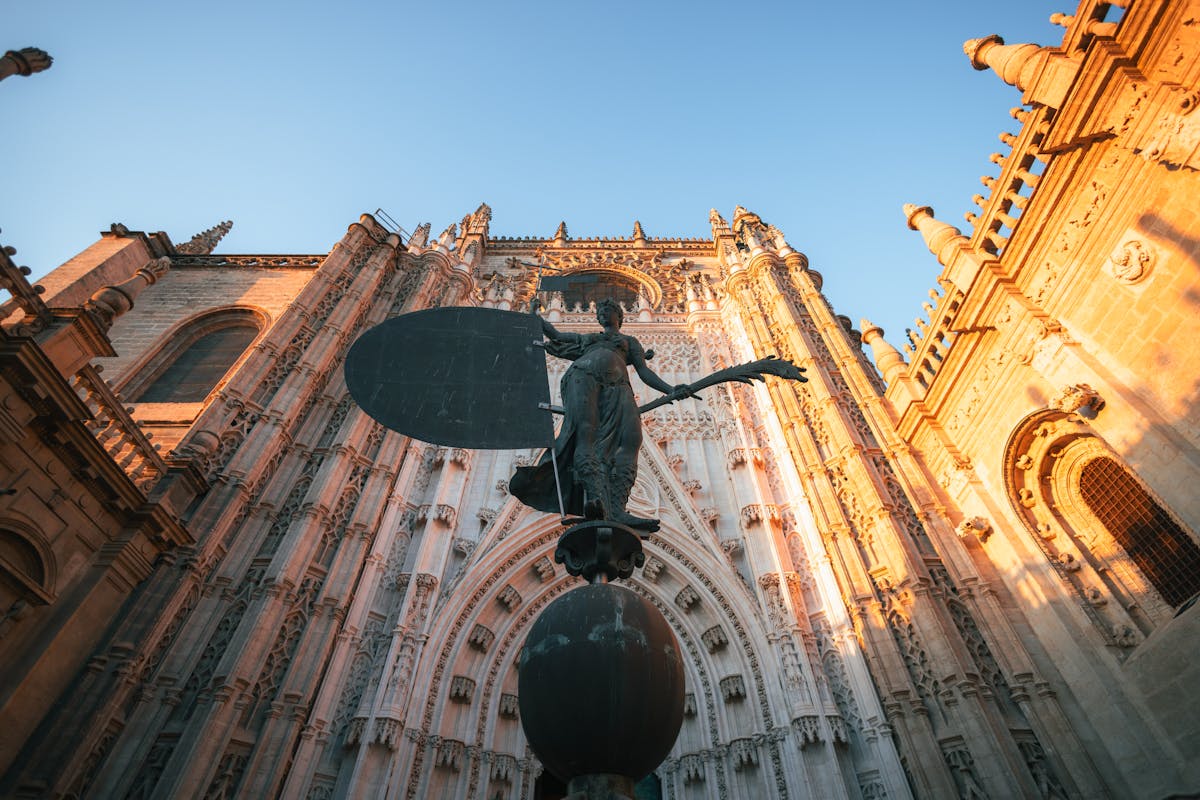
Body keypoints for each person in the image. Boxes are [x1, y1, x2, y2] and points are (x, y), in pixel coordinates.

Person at [510, 298, 689, 530]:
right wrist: (535, 316)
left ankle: (616, 508)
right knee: (586, 434)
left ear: (619, 316)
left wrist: (671, 389)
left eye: (608, 310)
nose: (603, 314)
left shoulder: (629, 342)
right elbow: (556, 335)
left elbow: (644, 372)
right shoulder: (590, 339)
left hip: (618, 386)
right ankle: (596, 498)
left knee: (632, 438)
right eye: (600, 312)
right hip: (583, 377)